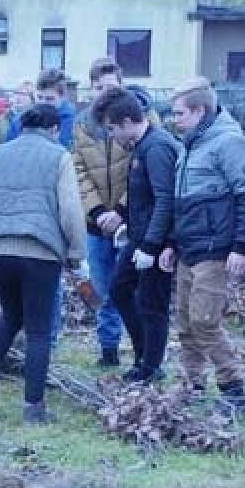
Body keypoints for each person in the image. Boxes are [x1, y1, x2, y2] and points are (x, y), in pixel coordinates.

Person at [0, 104, 89, 423]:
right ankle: (33, 408)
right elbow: (71, 211)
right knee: (39, 331)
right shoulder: (59, 156)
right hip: (40, 252)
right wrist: (77, 254)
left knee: (10, 317)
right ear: (55, 129)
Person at [142, 79, 245, 418]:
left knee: (205, 321)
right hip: (188, 249)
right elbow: (183, 203)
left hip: (216, 249)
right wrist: (171, 244)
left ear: (199, 111)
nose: (172, 119)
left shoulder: (229, 143)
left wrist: (241, 246)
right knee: (184, 323)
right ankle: (193, 386)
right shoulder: (189, 145)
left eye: (178, 113)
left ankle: (234, 391)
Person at [100, 90, 179, 384]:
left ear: (128, 122)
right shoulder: (142, 146)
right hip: (139, 235)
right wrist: (122, 213)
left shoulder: (157, 147)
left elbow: (165, 199)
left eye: (112, 129)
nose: (111, 136)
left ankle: (151, 366)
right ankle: (143, 354)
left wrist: (152, 245)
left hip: (155, 242)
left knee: (152, 304)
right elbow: (140, 193)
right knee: (120, 290)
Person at [74, 59, 142, 366]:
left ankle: (145, 351)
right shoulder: (81, 125)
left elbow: (143, 172)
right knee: (102, 288)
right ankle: (108, 349)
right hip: (96, 223)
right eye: (99, 87)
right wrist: (99, 210)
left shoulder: (139, 118)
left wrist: (121, 211)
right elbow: (78, 171)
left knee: (134, 289)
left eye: (110, 86)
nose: (104, 93)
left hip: (131, 222)